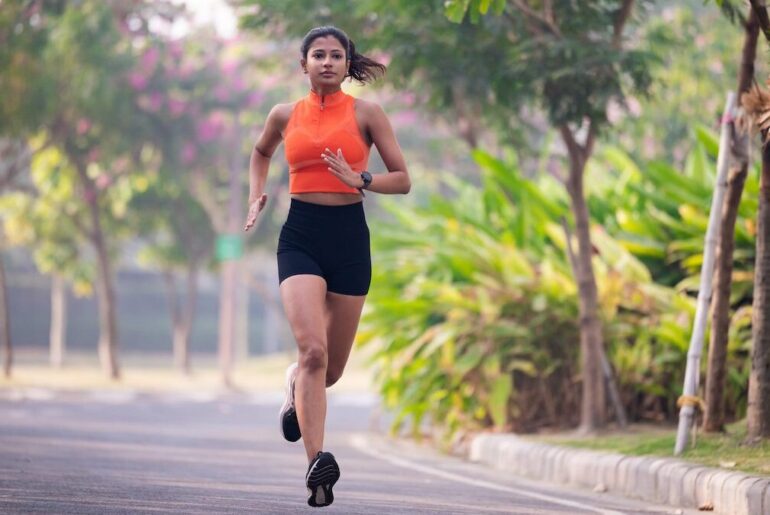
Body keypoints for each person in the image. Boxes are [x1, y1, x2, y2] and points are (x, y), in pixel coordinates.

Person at [243, 25, 410, 508]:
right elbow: (260, 152)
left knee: (328, 371)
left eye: (337, 55)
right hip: (301, 236)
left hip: (350, 239)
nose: (328, 62)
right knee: (312, 349)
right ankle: (318, 463)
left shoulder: (367, 114)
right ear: (304, 64)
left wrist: (363, 177)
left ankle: (295, 382)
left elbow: (403, 180)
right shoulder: (283, 114)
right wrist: (257, 194)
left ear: (346, 63)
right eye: (319, 55)